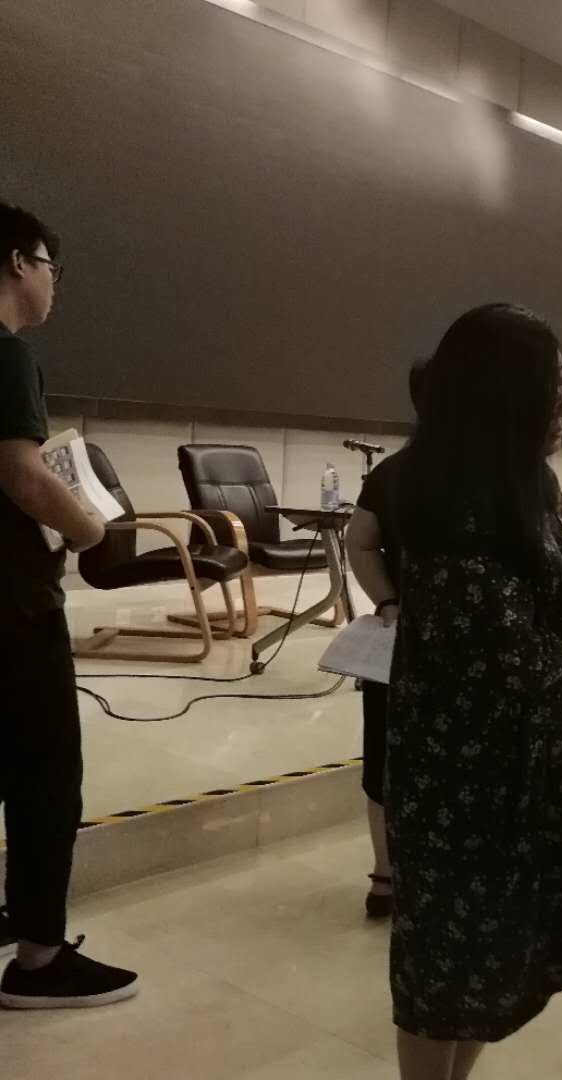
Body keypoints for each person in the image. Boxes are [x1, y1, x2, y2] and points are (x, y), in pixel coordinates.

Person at [384, 304, 562, 1080]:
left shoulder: (530, 478)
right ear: (505, 396)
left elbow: (546, 591)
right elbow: (508, 657)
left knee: (496, 957)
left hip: (531, 758)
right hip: (463, 776)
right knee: (447, 964)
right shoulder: (447, 497)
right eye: (555, 389)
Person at [0, 203, 139, 1009]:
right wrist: (89, 529)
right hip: (14, 608)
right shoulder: (6, 355)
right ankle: (39, 960)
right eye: (52, 266)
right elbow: (22, 474)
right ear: (19, 261)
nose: (55, 283)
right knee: (46, 777)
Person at [345, 355, 428, 919]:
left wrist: (389, 602)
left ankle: (385, 876)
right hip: (464, 650)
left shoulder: (395, 471)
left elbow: (360, 541)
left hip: (397, 641)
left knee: (384, 756)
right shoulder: (498, 475)